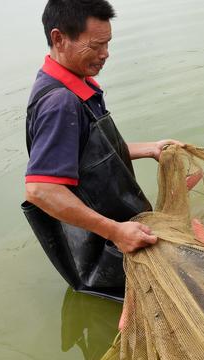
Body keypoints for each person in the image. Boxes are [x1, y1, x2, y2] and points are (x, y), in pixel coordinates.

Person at [22, 0, 182, 301]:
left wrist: (151, 148)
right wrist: (117, 233)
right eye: (96, 45)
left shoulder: (75, 85)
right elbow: (40, 190)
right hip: (104, 255)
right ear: (59, 38)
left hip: (121, 235)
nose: (105, 54)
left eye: (108, 44)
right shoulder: (60, 103)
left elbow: (89, 154)